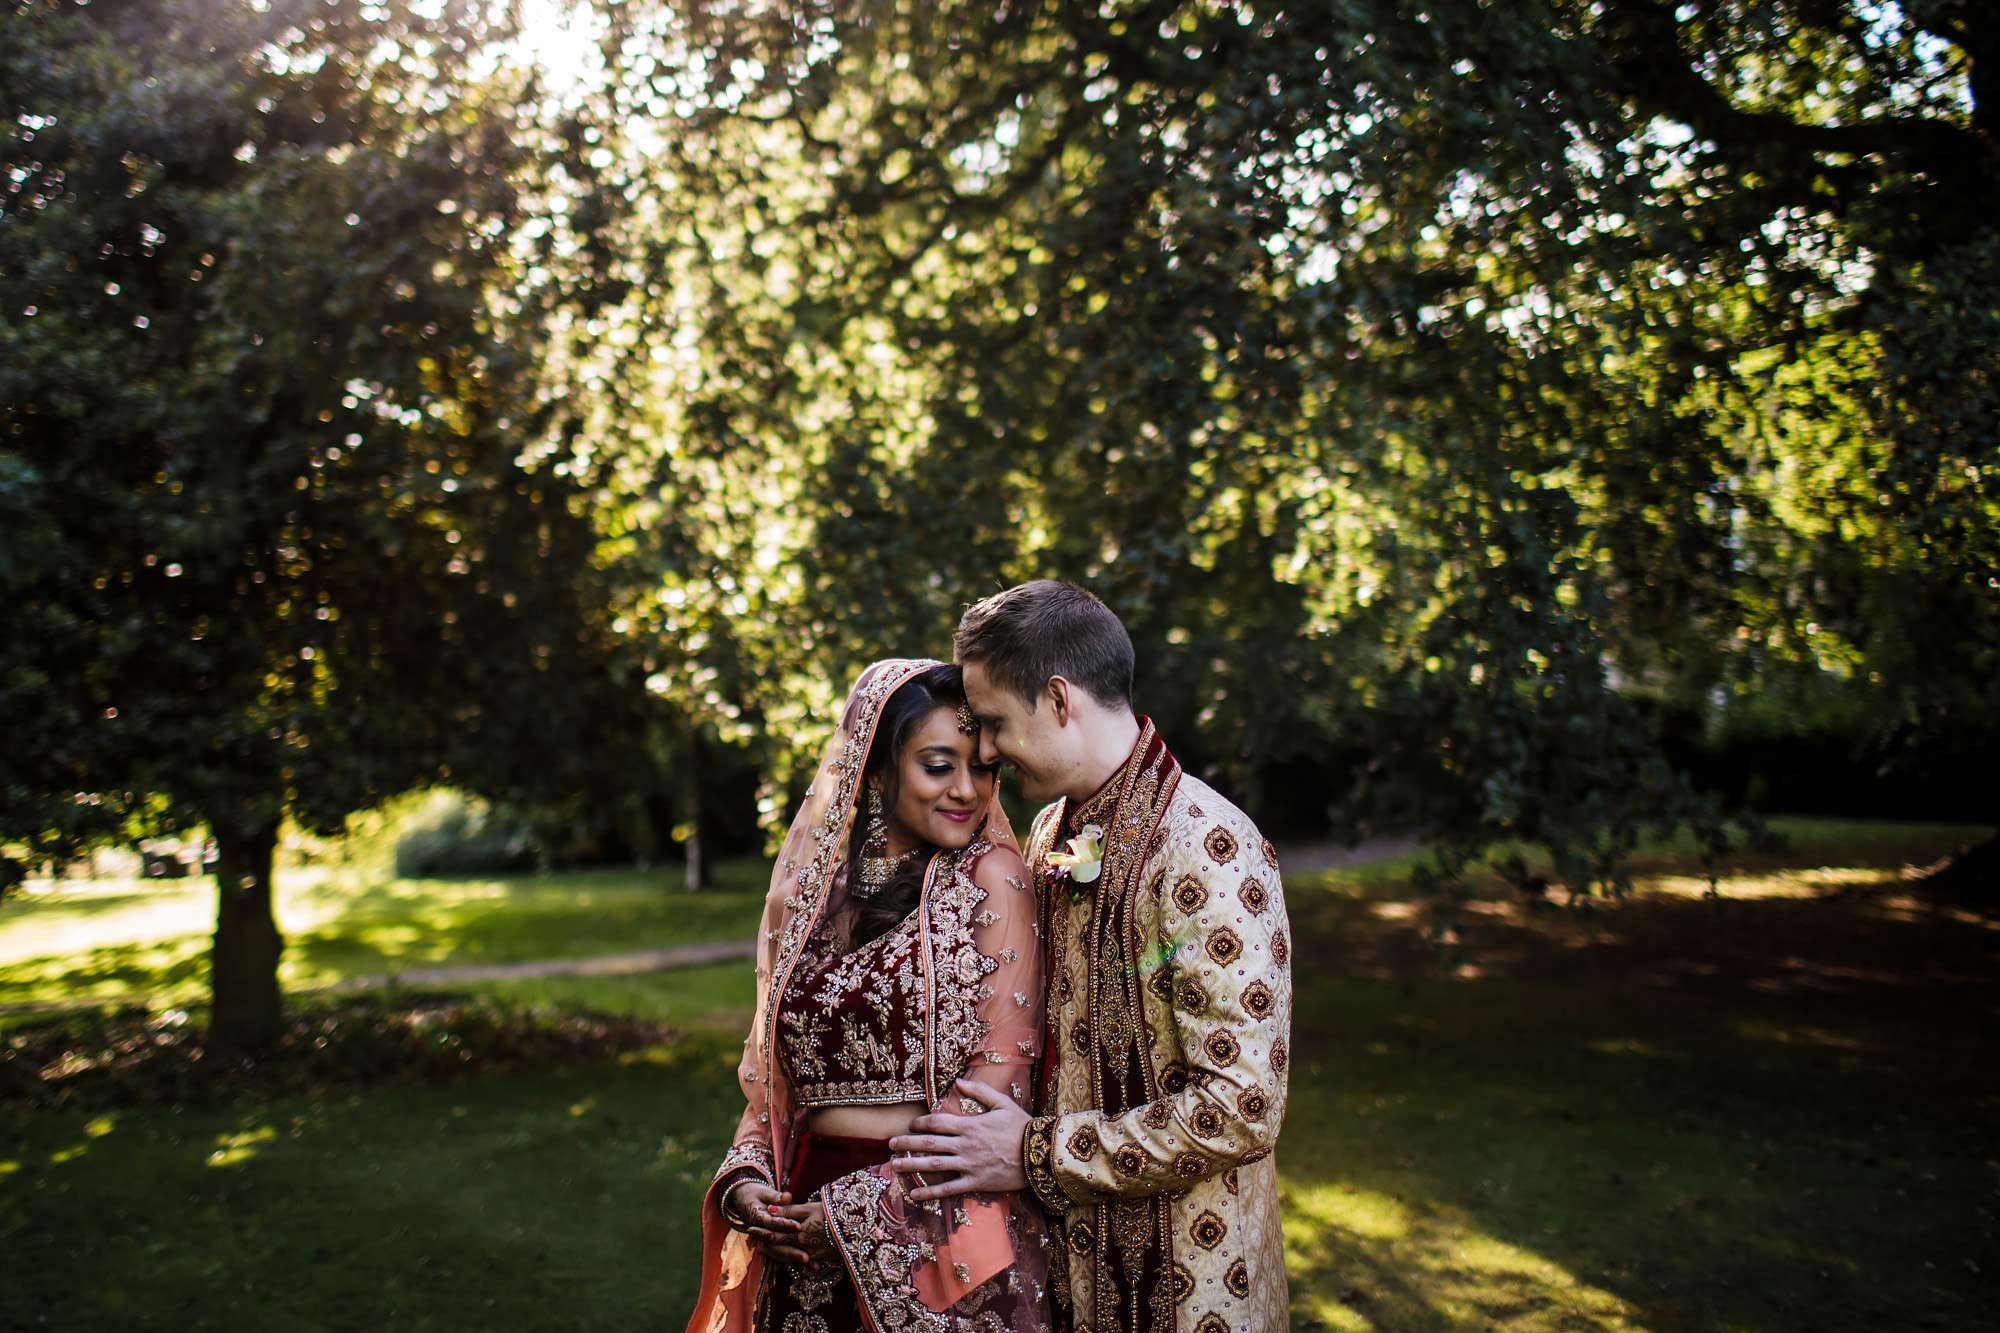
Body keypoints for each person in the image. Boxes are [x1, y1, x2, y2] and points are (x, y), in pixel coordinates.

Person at [886, 582, 1293, 1331]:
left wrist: (1038, 1153)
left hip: (1189, 1287)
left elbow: (1243, 1106)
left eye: (995, 722)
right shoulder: (1047, 835)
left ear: (1060, 698)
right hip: (1070, 1277)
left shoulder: (1207, 845)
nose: (984, 749)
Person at [687, 658, 1056, 1333]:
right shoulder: (816, 898)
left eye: (983, 767)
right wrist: (747, 1178)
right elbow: (775, 1079)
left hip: (934, 1222)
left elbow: (998, 1082)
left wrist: (854, 1213)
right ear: (879, 769)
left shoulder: (992, 879)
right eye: (939, 765)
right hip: (797, 1214)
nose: (968, 790)